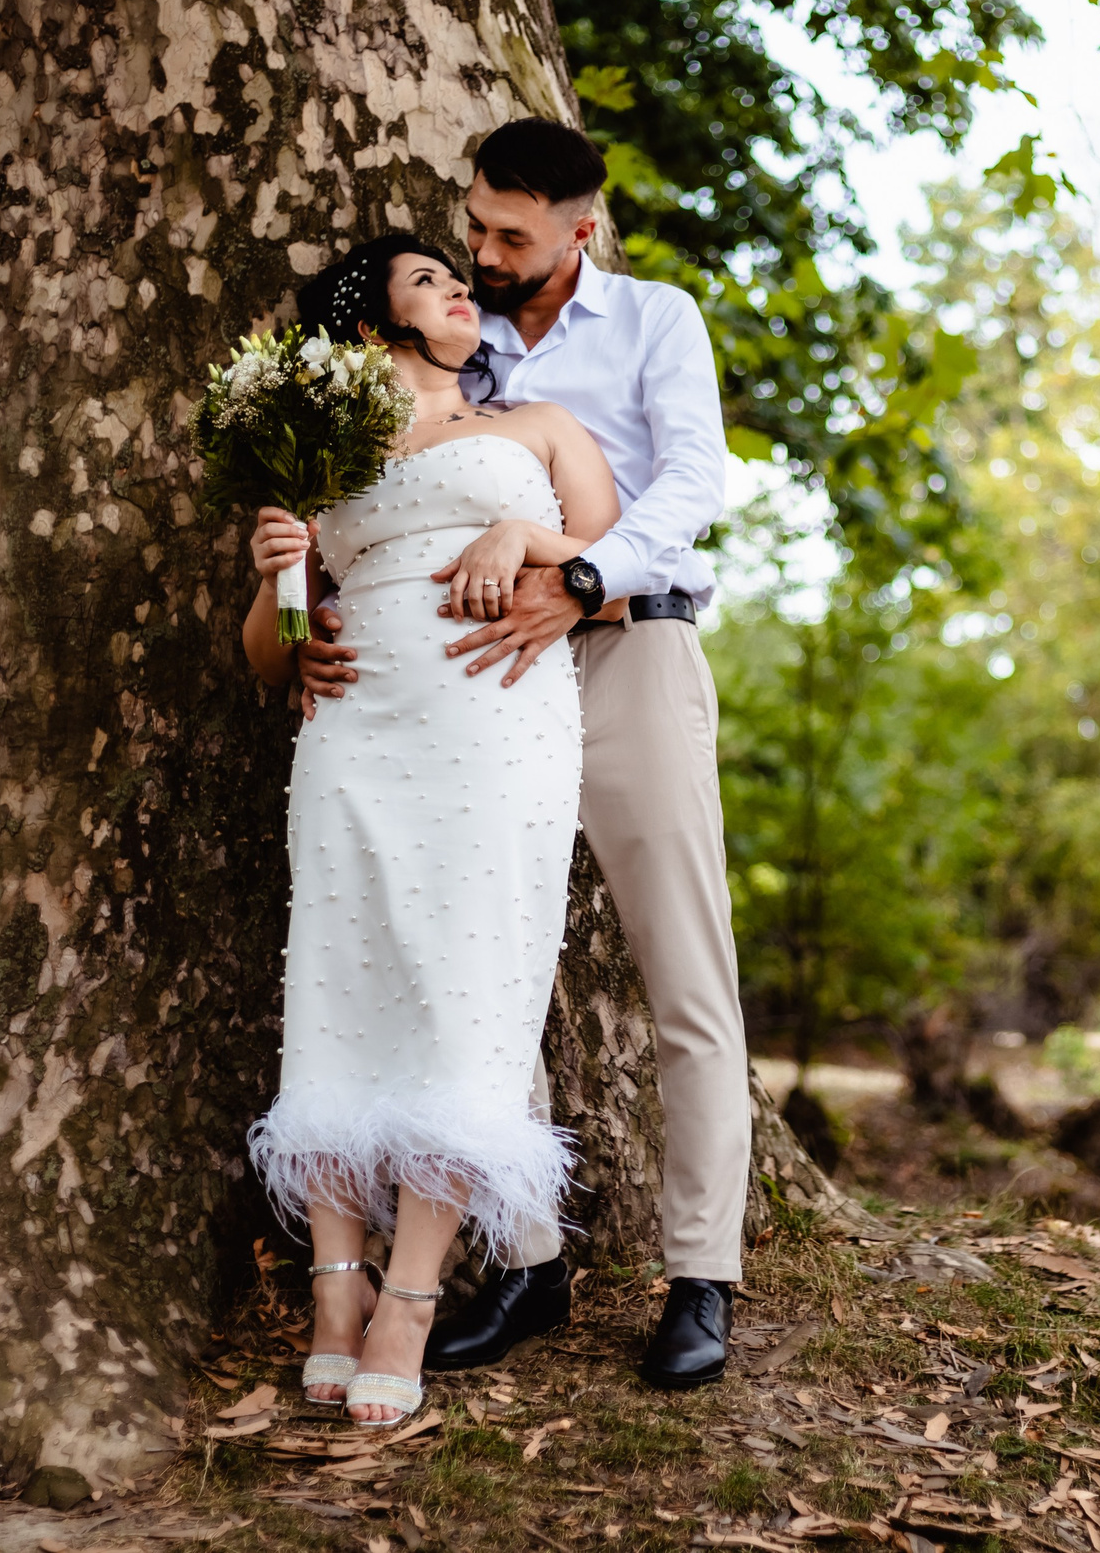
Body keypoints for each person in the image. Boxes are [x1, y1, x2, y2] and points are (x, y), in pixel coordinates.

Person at [296, 118, 749, 1390]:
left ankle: (700, 1274)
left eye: (510, 235)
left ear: (578, 228)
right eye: (475, 228)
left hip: (628, 651)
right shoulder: (456, 341)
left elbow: (692, 486)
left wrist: (579, 575)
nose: (484, 254)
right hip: (477, 686)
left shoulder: (656, 321)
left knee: (684, 976)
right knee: (476, 963)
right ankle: (534, 1262)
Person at [239, 233, 623, 1425]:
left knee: (472, 989)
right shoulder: (319, 460)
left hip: (497, 725)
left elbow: (625, 554)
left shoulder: (541, 428)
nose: (463, 286)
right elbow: (273, 662)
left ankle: (411, 1298)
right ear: (369, 328)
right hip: (355, 738)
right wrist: (275, 579)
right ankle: (335, 1292)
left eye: (461, 276)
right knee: (342, 989)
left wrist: (526, 538)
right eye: (428, 281)